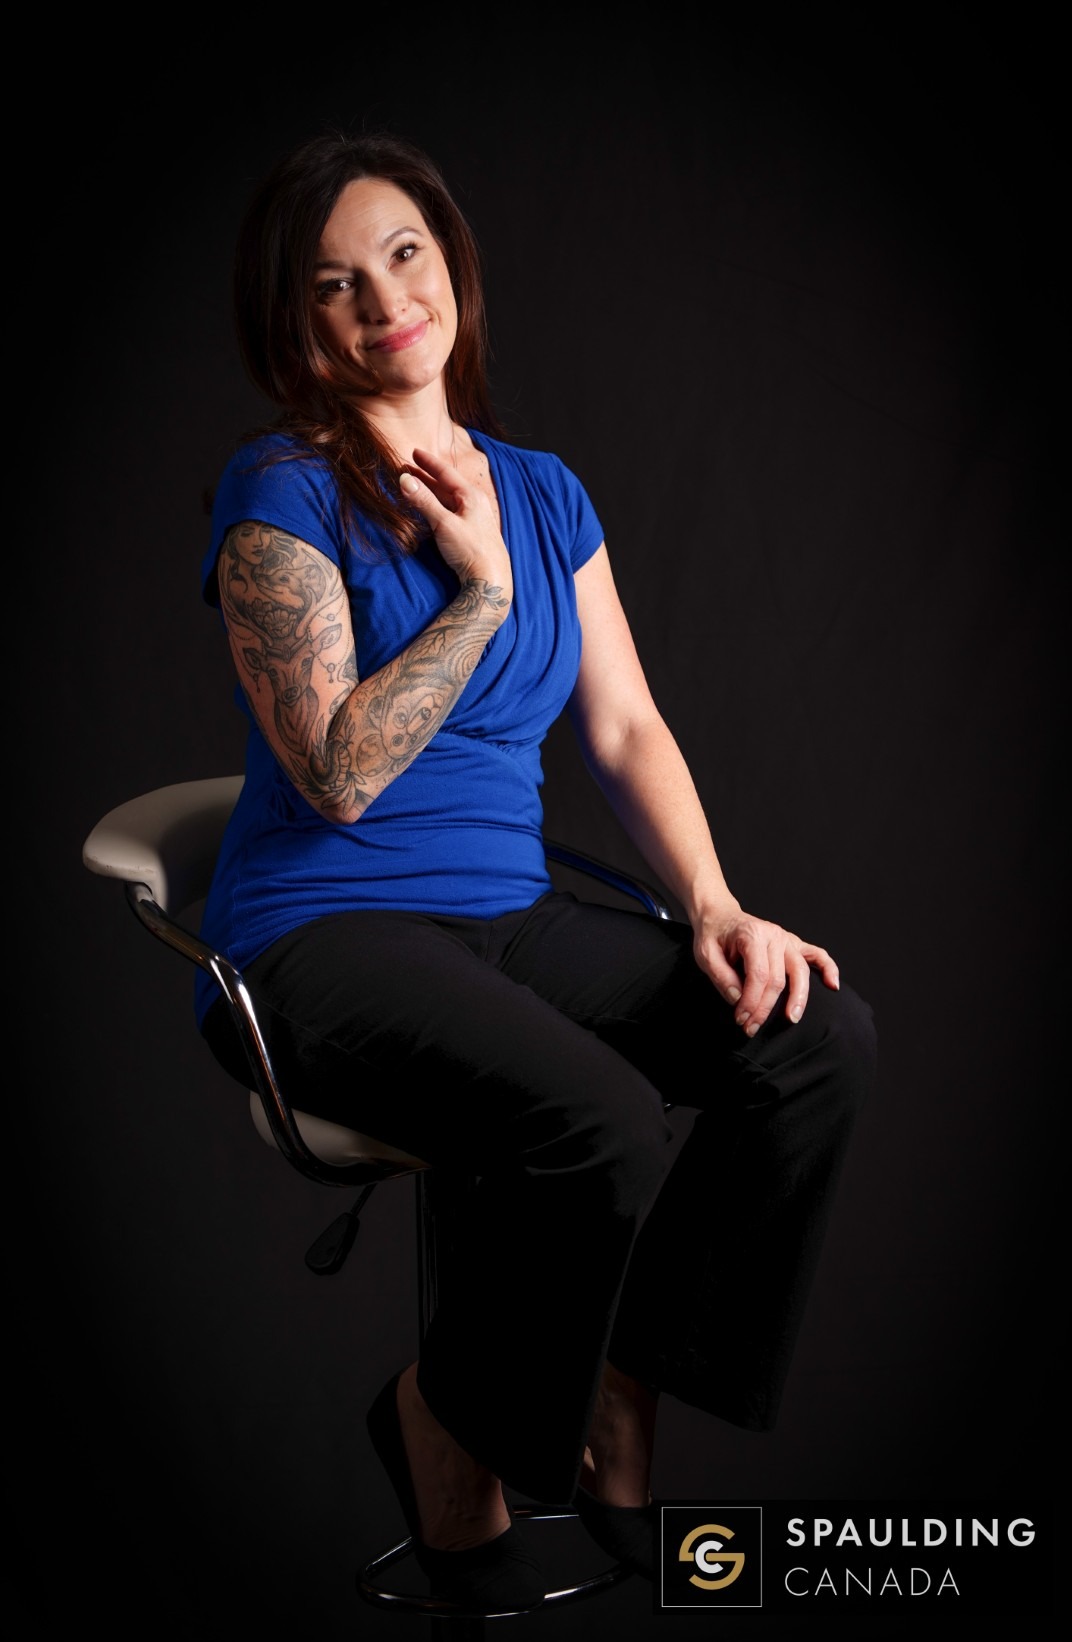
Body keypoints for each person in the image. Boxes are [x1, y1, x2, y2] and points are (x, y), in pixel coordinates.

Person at [196, 127, 877, 1613]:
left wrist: (717, 905)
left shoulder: (547, 489)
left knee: (814, 1037)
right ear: (295, 323)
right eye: (334, 283)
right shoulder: (278, 492)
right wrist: (480, 592)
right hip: (325, 929)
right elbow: (339, 772)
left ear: (451, 263)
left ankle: (627, 1380)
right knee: (603, 1119)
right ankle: (450, 1421)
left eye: (404, 254)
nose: (385, 300)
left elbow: (624, 726)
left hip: (508, 915)